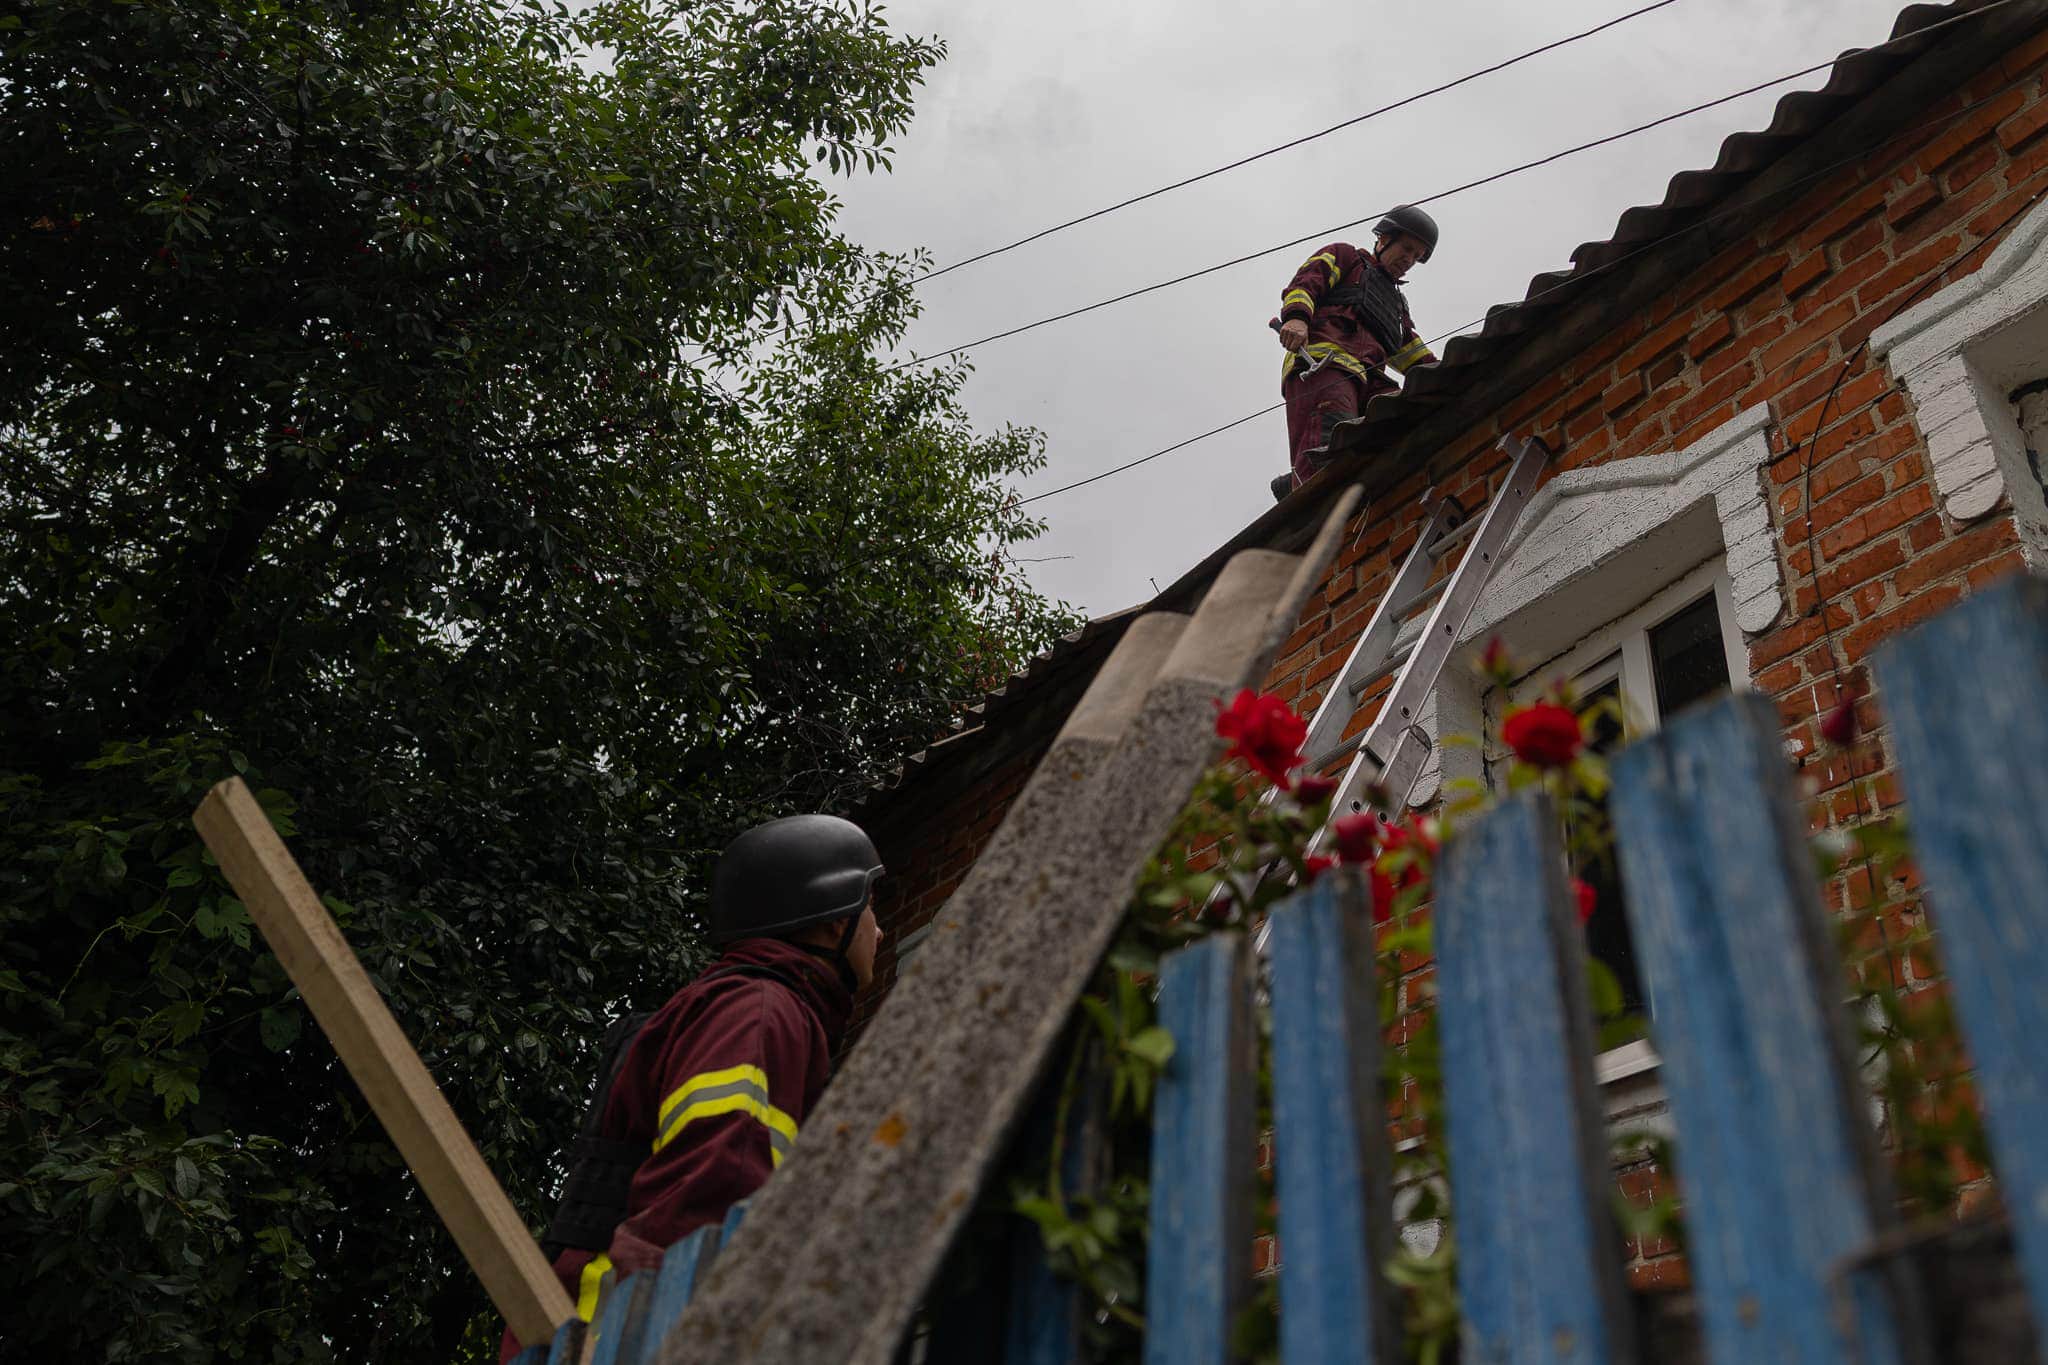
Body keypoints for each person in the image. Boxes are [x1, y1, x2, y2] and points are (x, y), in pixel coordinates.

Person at [499, 814, 884, 1360]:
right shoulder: (759, 1013)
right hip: (621, 1337)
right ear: (834, 919)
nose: (878, 930)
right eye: (870, 907)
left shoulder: (748, 1008)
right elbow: (710, 1196)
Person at [1273, 204, 1441, 496]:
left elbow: (1411, 352)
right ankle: (1311, 498)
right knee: (1331, 441)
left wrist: (1445, 375)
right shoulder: (1346, 257)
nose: (1409, 260)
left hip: (1369, 380)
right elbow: (1307, 283)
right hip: (1325, 367)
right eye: (1406, 248)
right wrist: (1297, 318)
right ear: (1384, 238)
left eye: (1416, 256)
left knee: (1401, 421)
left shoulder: (1395, 304)